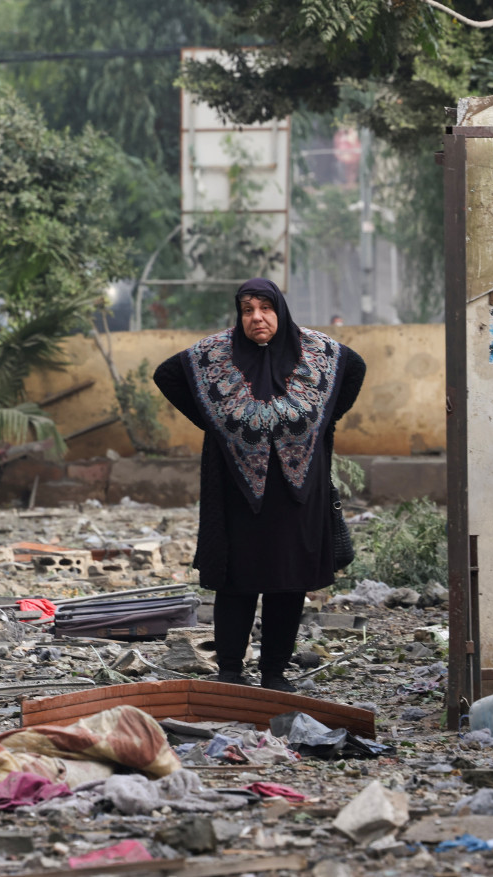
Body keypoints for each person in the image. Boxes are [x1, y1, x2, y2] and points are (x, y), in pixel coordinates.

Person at [154, 278, 366, 692]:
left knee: (288, 581)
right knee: (237, 580)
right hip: (235, 490)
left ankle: (274, 672)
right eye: (248, 310)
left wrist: (321, 420)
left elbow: (354, 367)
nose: (257, 318)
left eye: (265, 309)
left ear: (280, 311)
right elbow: (167, 375)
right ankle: (230, 670)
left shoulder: (315, 350)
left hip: (297, 493)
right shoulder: (214, 354)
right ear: (240, 315)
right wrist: (214, 422)